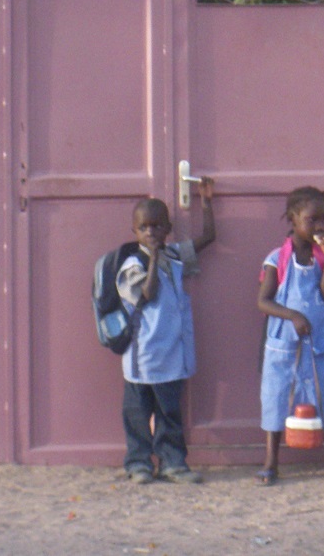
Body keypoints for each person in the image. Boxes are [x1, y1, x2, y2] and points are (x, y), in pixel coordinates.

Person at [256, 186, 324, 486]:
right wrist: (293, 316)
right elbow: (263, 301)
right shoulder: (276, 258)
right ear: (292, 219)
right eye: (312, 220)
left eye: (323, 220)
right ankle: (271, 461)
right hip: (285, 345)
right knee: (276, 397)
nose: (319, 227)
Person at [117, 183, 216, 484]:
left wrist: (207, 204)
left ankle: (173, 462)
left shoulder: (174, 255)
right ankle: (139, 464)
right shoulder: (132, 264)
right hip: (142, 356)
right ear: (134, 231)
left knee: (169, 412)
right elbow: (147, 293)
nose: (151, 232)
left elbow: (208, 238)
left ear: (168, 228)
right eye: (144, 227)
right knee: (137, 414)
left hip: (171, 352)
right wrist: (152, 260)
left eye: (157, 226)